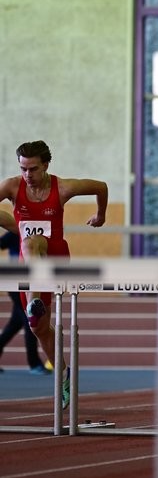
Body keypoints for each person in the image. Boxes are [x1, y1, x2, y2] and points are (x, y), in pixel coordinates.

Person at [0, 140, 108, 408]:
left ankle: (35, 300)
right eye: (23, 169)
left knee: (31, 242)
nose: (28, 175)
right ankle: (63, 375)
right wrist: (13, 223)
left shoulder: (63, 188)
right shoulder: (12, 185)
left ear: (46, 165)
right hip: (31, 260)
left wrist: (101, 215)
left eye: (33, 169)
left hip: (56, 254)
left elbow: (100, 186)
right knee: (38, 328)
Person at [0, 219, 50, 375]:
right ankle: (34, 363)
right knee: (31, 320)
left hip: (31, 283)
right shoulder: (16, 232)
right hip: (17, 284)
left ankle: (34, 363)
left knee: (14, 324)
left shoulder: (42, 234)